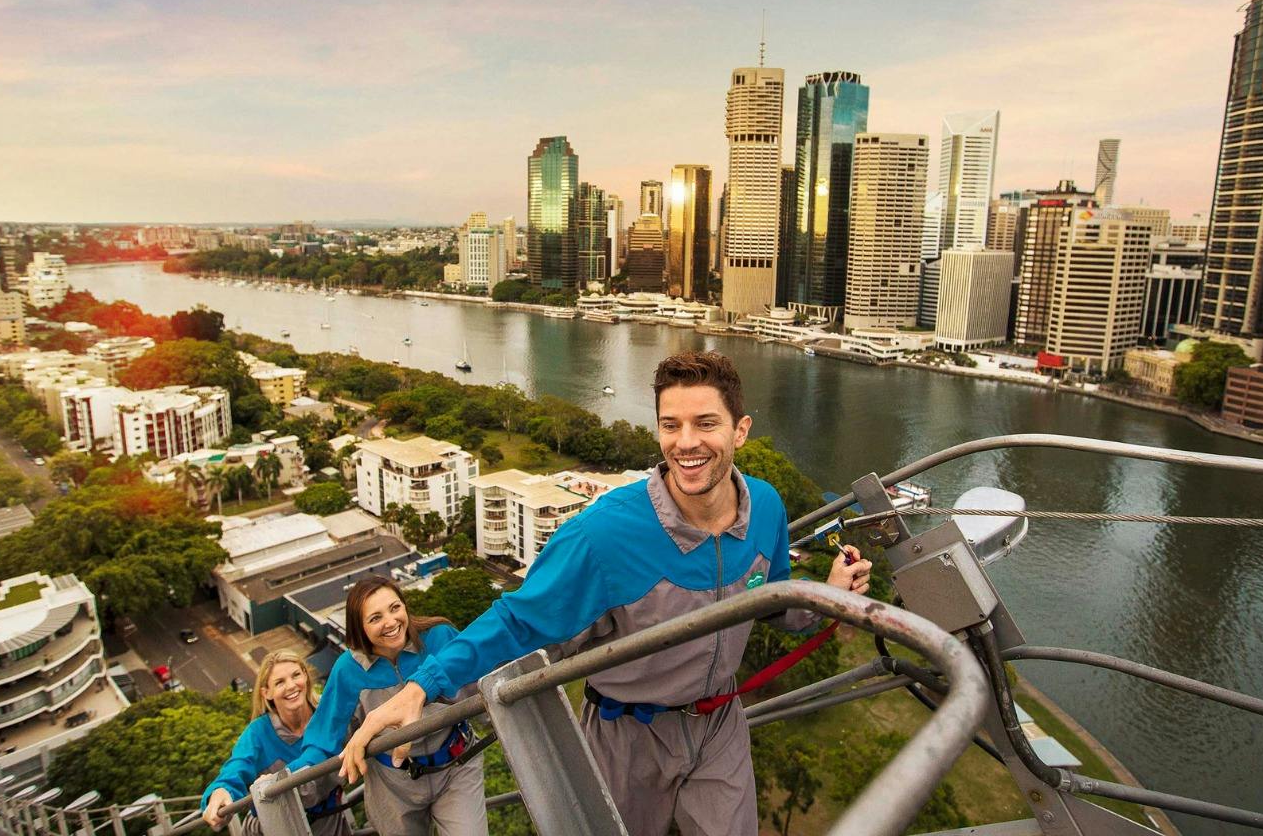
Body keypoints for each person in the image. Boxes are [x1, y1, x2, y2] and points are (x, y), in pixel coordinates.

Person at [342, 350, 870, 836]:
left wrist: (826, 595)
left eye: (706, 423)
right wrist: (422, 687)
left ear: (741, 430)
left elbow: (773, 598)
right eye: (671, 425)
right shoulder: (603, 535)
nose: (686, 442)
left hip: (719, 726)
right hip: (626, 735)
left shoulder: (766, 508)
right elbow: (519, 621)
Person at [290, 576, 488, 836]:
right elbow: (325, 739)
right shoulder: (348, 671)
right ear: (360, 627)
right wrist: (290, 776)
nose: (391, 622)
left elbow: (482, 684)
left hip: (455, 765)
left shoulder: (438, 637)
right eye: (375, 618)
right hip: (392, 784)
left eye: (395, 608)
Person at [201, 650, 350, 833]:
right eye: (280, 682)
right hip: (273, 828)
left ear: (306, 676)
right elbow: (238, 765)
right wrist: (221, 790)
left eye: (296, 675)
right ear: (267, 693)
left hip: (328, 820)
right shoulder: (258, 733)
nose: (291, 686)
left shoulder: (328, 712)